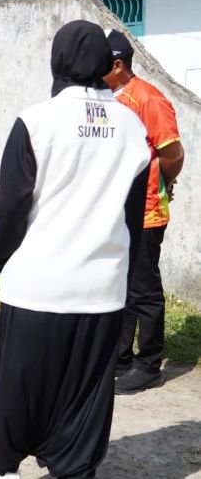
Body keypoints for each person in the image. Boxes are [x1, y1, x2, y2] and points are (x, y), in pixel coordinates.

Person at [0, 21, 150, 479]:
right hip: (102, 288)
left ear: (58, 60)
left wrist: (1, 255)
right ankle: (74, 468)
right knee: (86, 393)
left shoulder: (36, 122)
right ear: (104, 63)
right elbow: (134, 219)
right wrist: (126, 281)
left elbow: (12, 209)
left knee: (21, 386)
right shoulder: (132, 127)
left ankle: (2, 467)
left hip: (38, 284)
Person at [103, 29, 185, 395]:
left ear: (117, 65)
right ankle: (121, 357)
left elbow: (173, 154)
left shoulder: (148, 99)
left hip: (147, 210)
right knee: (121, 285)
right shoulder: (109, 98)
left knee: (144, 288)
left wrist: (162, 182)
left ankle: (149, 363)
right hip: (117, 210)